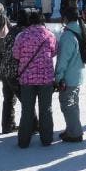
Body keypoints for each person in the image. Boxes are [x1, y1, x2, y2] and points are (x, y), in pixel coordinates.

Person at [13, 11, 57, 148]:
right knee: (46, 109)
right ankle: (47, 139)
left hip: (27, 79)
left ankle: (23, 141)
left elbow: (16, 54)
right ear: (42, 21)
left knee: (27, 110)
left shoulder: (22, 35)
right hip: (46, 78)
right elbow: (54, 51)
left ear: (30, 22)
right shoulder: (50, 35)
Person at [56, 7, 86, 142]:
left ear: (66, 18)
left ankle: (75, 133)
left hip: (69, 76)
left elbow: (63, 59)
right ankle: (72, 129)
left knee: (67, 105)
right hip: (78, 74)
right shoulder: (80, 30)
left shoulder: (68, 35)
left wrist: (59, 77)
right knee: (73, 104)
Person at [0, 9, 31, 134]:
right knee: (26, 100)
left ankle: (7, 125)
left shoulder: (11, 30)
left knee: (8, 99)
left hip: (4, 68)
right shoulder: (24, 33)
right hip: (16, 71)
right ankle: (32, 124)